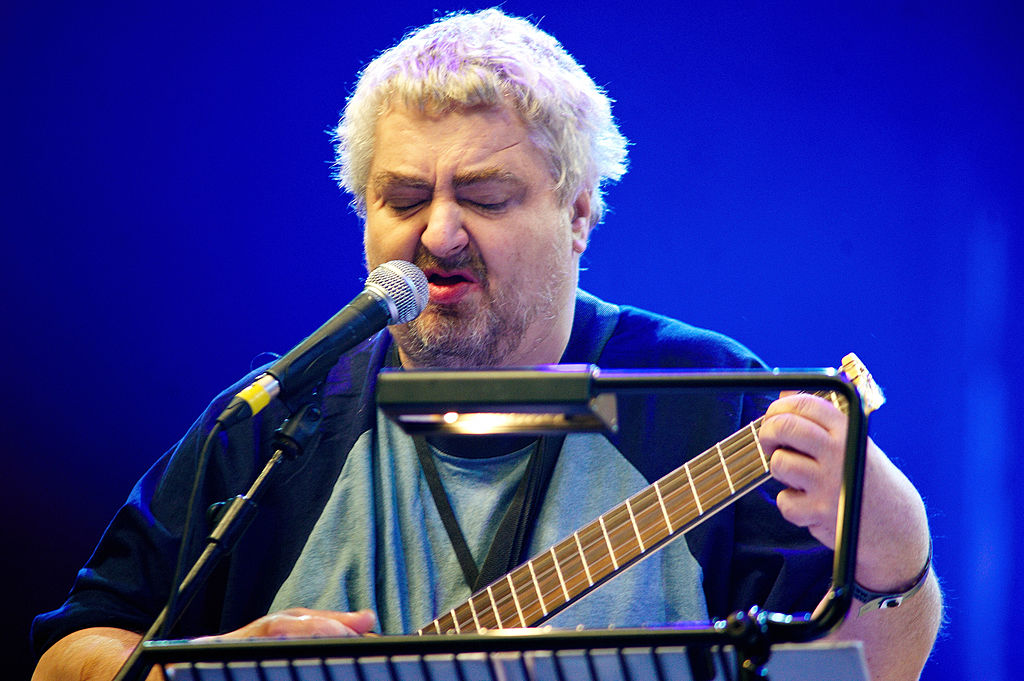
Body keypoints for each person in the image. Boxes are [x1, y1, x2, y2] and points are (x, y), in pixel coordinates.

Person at [32, 8, 941, 681]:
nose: (438, 234)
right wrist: (183, 674)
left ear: (579, 213)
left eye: (486, 197)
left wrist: (897, 557)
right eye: (401, 198)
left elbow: (839, 674)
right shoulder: (281, 416)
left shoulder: (706, 394)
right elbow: (68, 650)